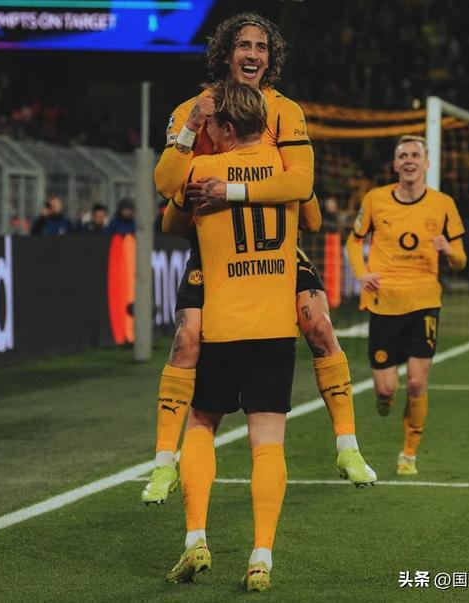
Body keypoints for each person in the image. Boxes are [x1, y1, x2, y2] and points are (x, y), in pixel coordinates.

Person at [142, 12, 375, 506]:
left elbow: (301, 184)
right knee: (186, 338)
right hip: (213, 245)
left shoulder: (284, 109)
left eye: (262, 47)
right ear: (226, 53)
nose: (253, 54)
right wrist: (192, 127)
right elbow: (165, 185)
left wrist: (232, 190)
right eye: (244, 45)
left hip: (273, 243)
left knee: (317, 323)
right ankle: (163, 462)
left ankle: (348, 446)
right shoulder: (192, 109)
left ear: (271, 59)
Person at [163, 80, 298, 591]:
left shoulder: (203, 169)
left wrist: (187, 130)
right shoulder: (287, 169)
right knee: (268, 444)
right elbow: (309, 207)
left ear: (223, 126)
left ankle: (196, 537)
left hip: (223, 324)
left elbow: (165, 198)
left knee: (201, 422)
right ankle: (261, 557)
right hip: (275, 326)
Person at [346, 135, 467, 475]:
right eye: (404, 156)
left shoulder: (443, 204)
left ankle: (409, 454)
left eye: (416, 155)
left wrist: (449, 251)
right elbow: (354, 241)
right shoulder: (375, 199)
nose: (410, 160)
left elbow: (461, 261)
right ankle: (384, 399)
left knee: (416, 382)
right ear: (395, 164)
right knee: (386, 388)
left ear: (427, 163)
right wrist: (362, 274)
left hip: (424, 301)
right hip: (384, 301)